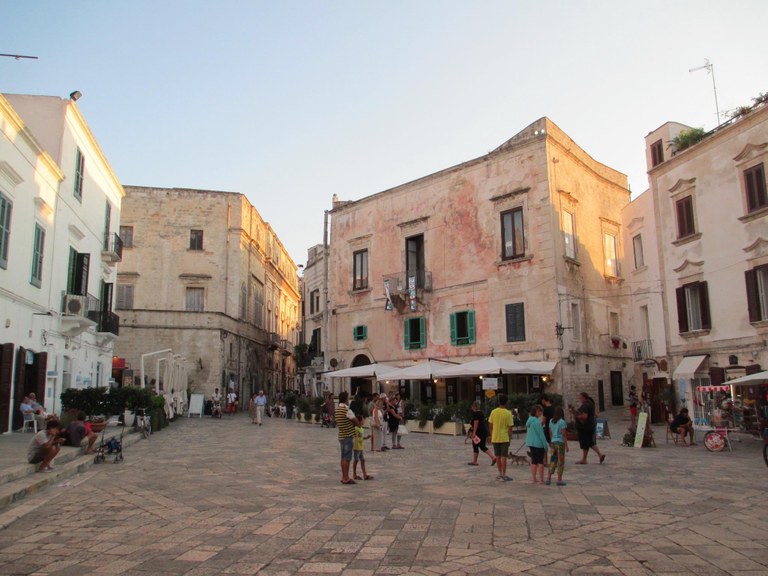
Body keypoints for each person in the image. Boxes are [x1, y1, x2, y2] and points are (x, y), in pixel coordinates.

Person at [335, 391, 361, 485]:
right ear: (346, 399)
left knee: (343, 458)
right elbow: (356, 422)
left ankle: (343, 476)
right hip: (348, 436)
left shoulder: (338, 410)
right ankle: (346, 477)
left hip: (341, 435)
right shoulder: (347, 410)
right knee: (347, 458)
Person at [488, 394, 514, 481]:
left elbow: (490, 425)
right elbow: (510, 428)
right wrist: (509, 438)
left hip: (495, 437)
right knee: (504, 457)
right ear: (506, 402)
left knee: (498, 456)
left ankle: (499, 473)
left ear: (499, 402)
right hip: (504, 437)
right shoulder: (508, 413)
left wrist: (492, 435)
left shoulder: (493, 412)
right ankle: (504, 474)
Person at [574, 392, 605, 464]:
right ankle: (598, 455)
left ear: (584, 397)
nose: (579, 399)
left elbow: (585, 416)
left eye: (580, 397)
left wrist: (577, 416)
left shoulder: (585, 406)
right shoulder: (590, 403)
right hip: (590, 426)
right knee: (590, 443)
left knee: (585, 443)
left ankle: (586, 459)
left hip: (585, 427)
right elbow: (594, 414)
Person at [526, 404, 549, 484]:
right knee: (540, 461)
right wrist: (545, 445)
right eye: (538, 411)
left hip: (531, 443)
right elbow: (541, 435)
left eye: (540, 412)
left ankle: (534, 479)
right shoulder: (537, 422)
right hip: (539, 444)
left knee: (534, 461)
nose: (540, 413)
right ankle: (542, 479)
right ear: (534, 412)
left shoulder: (529, 420)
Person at [468, 400, 496, 466]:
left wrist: (474, 433)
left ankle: (475, 461)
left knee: (475, 446)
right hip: (483, 432)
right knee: (483, 446)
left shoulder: (475, 414)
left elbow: (476, 423)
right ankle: (493, 457)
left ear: (474, 406)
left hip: (478, 432)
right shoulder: (481, 413)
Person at [546, 407, 568, 486]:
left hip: (553, 442)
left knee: (553, 460)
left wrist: (552, 440)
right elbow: (564, 434)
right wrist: (566, 445)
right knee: (560, 462)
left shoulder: (551, 421)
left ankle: (548, 478)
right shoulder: (562, 422)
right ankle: (559, 479)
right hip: (560, 443)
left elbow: (550, 432)